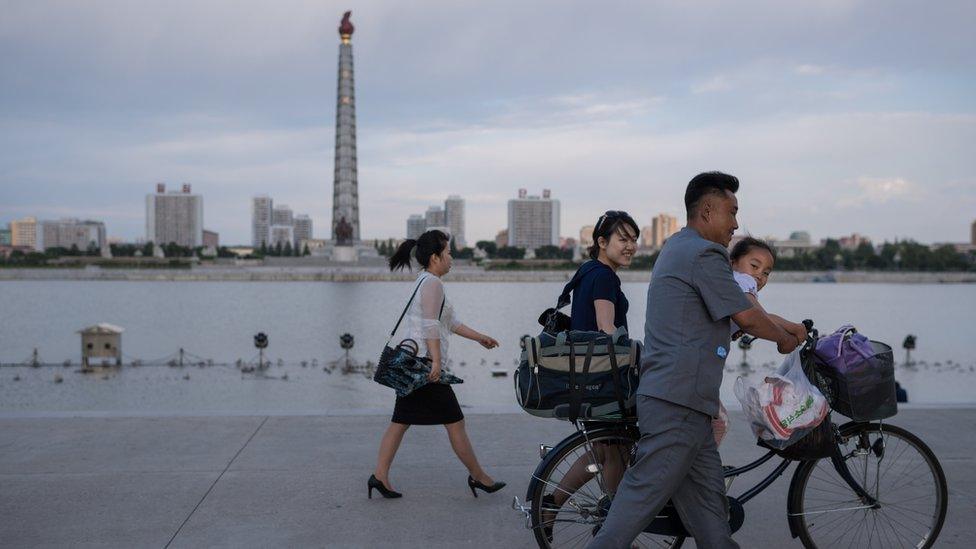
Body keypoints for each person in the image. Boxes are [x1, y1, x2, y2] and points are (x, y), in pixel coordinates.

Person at [587, 172, 803, 549]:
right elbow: (746, 314)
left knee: (710, 518)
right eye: (732, 212)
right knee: (634, 506)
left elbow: (717, 320)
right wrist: (786, 339)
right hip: (678, 402)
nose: (735, 224)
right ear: (707, 210)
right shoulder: (704, 253)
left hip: (689, 405)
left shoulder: (678, 246)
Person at [368, 230, 506, 499]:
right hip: (423, 367)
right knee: (455, 421)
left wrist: (480, 338)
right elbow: (430, 324)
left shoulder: (425, 281)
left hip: (416, 364)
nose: (452, 257)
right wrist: (437, 363)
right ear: (435, 257)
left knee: (400, 422)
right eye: (449, 252)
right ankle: (479, 477)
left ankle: (379, 477)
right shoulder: (432, 283)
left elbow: (450, 323)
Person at [541, 211, 640, 539]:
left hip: (585, 376)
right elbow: (606, 328)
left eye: (633, 240)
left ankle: (552, 503)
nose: (630, 246)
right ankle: (616, 534)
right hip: (601, 378)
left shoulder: (587, 271)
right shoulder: (605, 277)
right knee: (613, 451)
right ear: (602, 242)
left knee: (602, 450)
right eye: (623, 239)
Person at [712, 237, 808, 444]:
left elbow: (758, 317)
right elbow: (759, 317)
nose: (759, 275)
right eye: (754, 266)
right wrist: (794, 329)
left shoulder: (731, 283)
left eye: (766, 273)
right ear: (733, 263)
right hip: (699, 370)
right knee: (720, 423)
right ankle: (701, 473)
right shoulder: (741, 280)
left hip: (700, 368)